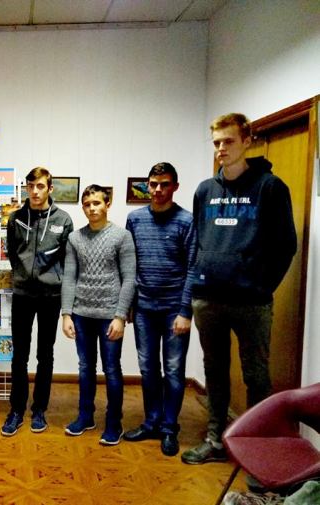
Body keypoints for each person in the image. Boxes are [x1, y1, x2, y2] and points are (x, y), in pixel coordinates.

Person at [182, 113, 297, 464]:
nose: (221, 148)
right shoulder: (205, 190)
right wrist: (198, 282)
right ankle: (215, 440)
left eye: (228, 141)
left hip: (252, 302)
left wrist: (260, 285)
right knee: (215, 373)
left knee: (256, 377)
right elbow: (199, 241)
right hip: (208, 299)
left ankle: (259, 452)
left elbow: (286, 245)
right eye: (216, 142)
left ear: (247, 141)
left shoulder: (270, 187)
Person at [124, 163, 196, 456]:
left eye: (164, 184)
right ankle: (151, 422)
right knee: (148, 368)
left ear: (175, 187)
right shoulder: (135, 219)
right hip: (144, 308)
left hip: (174, 309)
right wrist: (130, 304)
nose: (157, 190)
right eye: (153, 184)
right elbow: (129, 265)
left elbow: (192, 267)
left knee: (174, 370)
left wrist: (185, 311)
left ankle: (169, 428)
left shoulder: (186, 221)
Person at [61, 184, 136, 445]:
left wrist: (120, 316)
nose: (91, 208)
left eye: (96, 203)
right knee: (85, 368)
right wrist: (66, 314)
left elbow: (129, 278)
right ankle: (85, 417)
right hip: (81, 314)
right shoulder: (75, 238)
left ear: (107, 204)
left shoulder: (122, 236)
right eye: (87, 204)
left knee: (112, 369)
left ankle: (114, 423)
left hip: (109, 316)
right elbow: (69, 277)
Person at [2, 167, 73, 436]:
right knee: (19, 355)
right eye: (30, 186)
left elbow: (66, 261)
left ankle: (39, 409)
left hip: (50, 297)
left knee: (45, 354)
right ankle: (16, 409)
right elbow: (12, 253)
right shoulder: (16, 218)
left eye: (40, 186)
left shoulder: (63, 220)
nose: (34, 191)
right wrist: (23, 275)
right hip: (22, 295)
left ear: (50, 188)